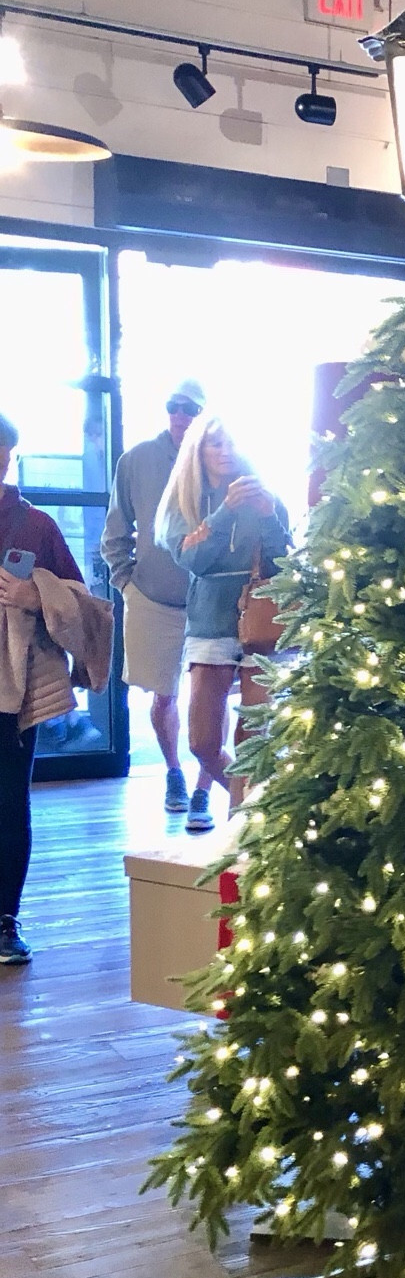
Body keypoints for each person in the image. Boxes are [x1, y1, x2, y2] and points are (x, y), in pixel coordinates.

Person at [0, 412, 114, 965]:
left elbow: (85, 604)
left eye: (2, 451)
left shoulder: (34, 526)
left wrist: (35, 597)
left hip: (12, 689)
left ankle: (4, 920)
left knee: (7, 802)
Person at [155, 414, 290, 835]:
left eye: (232, 442)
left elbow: (284, 558)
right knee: (202, 743)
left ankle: (244, 832)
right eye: (215, 443)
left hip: (263, 619)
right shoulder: (185, 500)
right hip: (210, 622)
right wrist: (224, 514)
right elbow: (192, 559)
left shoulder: (264, 494)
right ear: (199, 450)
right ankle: (254, 811)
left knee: (254, 739)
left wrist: (267, 515)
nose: (225, 451)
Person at [101, 379, 205, 814]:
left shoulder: (220, 462)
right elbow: (115, 531)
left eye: (191, 409)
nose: (180, 415)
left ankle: (204, 788)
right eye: (173, 407)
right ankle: (174, 773)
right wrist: (126, 583)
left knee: (209, 698)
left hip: (210, 603)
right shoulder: (137, 460)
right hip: (152, 599)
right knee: (164, 695)